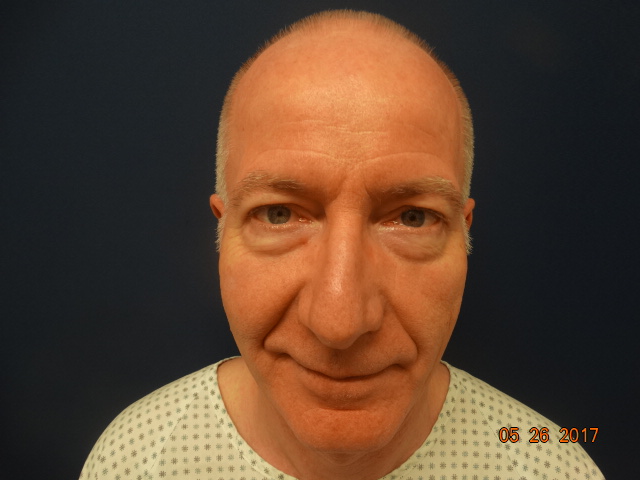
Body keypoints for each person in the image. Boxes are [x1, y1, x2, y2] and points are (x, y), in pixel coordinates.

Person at [80, 10, 604, 480]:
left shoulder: (546, 462)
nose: (339, 322)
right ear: (222, 230)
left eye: (413, 218)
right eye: (279, 214)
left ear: (463, 233)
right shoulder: (138, 460)